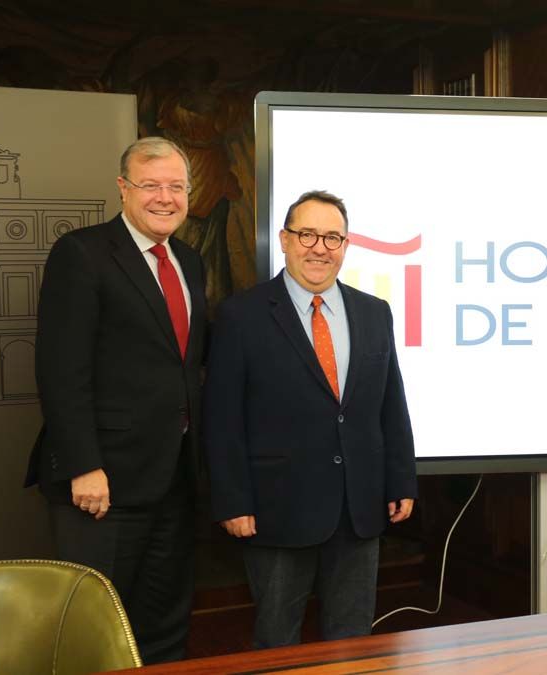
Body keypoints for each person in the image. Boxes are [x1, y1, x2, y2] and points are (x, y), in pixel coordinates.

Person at [204, 190, 417, 647]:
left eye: (333, 237)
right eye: (307, 234)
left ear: (345, 245)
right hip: (276, 509)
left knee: (353, 639)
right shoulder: (241, 315)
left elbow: (390, 404)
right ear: (284, 239)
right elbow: (221, 420)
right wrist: (232, 501)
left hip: (358, 507)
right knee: (277, 639)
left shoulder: (374, 312)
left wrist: (401, 481)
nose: (320, 247)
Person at [26, 136, 207, 662]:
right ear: (123, 189)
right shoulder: (82, 253)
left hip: (173, 477)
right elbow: (60, 370)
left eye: (176, 186)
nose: (164, 197)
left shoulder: (189, 262)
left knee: (166, 624)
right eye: (150, 184)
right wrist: (83, 465)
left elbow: (184, 366)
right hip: (102, 484)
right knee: (92, 626)